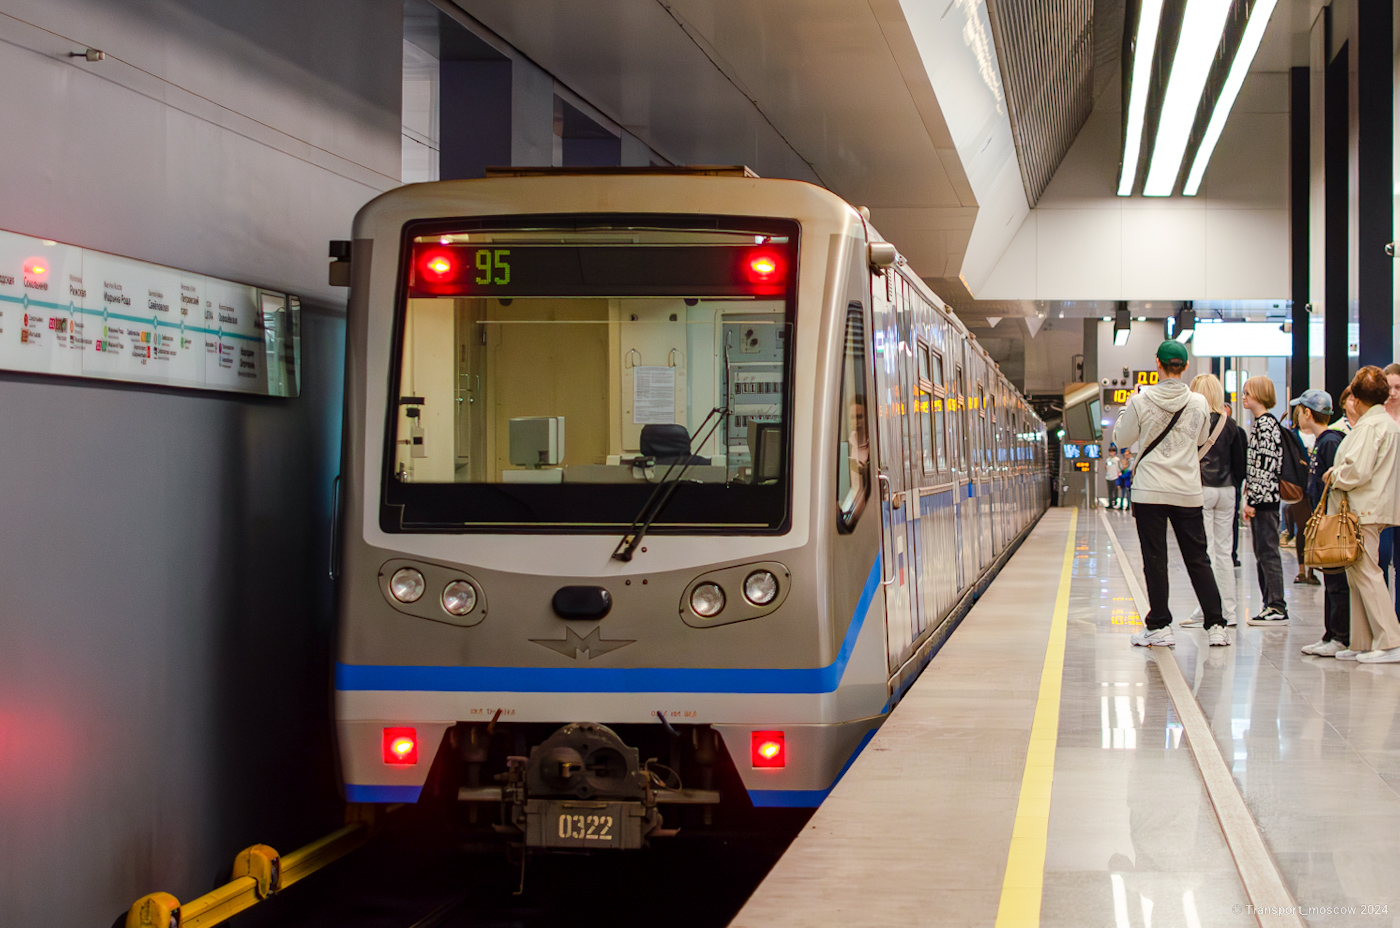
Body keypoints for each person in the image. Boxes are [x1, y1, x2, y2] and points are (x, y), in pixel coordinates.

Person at [1115, 341, 1228, 647]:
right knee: (1198, 558)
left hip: (1149, 490)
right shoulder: (1199, 403)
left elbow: (1122, 438)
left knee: (1155, 559)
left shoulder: (1141, 399)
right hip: (1187, 490)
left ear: (1157, 364)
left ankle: (1159, 625)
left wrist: (1129, 406)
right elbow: (1201, 438)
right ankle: (1216, 624)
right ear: (1185, 367)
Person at [1326, 367, 1400, 662]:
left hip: (1364, 508)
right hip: (1374, 507)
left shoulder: (1371, 427)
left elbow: (1358, 469)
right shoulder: (1384, 423)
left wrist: (1335, 475)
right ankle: (1363, 641)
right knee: (1358, 574)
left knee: (1367, 574)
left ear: (1356, 398)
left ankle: (1389, 641)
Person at [1181, 373, 1245, 628]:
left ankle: (1206, 608)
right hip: (1228, 491)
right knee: (1224, 552)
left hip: (1202, 490)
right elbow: (1240, 465)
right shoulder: (1233, 426)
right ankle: (1229, 610)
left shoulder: (1195, 422)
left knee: (1204, 553)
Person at [1293, 389, 1351, 656]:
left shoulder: (1329, 442)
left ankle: (1341, 635)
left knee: (1337, 581)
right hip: (1322, 517)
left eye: (1300, 410)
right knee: (1330, 579)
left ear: (1308, 413)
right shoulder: (1322, 440)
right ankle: (1330, 633)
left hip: (1331, 522)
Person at [1241, 376, 1289, 625]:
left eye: (1247, 392)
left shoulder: (1266, 426)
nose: (1244, 396)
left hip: (1265, 503)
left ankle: (1276, 605)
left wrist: (1252, 501)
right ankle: (1269, 602)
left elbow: (1265, 468)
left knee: (1268, 553)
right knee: (1263, 553)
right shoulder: (1262, 424)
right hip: (1264, 500)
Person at [1283, 410, 1319, 584]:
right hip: (1299, 489)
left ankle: (1313, 569)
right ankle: (1302, 569)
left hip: (1317, 489)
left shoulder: (1321, 435)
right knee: (1303, 529)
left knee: (1317, 530)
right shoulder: (1292, 437)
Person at [1106, 445, 1121, 509]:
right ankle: (1110, 503)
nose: (1111, 453)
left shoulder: (1117, 460)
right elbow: (1107, 468)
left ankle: (1115, 501)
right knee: (1110, 491)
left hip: (1115, 477)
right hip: (1108, 477)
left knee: (1115, 491)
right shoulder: (1108, 459)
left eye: (1112, 452)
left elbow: (1119, 468)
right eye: (1110, 452)